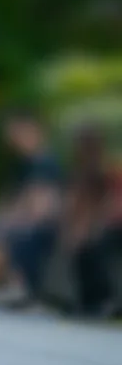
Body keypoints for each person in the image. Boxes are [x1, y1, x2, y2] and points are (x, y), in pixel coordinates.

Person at [0, 109, 64, 307]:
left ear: (34, 132)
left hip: (38, 226)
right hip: (18, 223)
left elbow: (41, 209)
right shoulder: (20, 166)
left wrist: (8, 222)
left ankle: (19, 286)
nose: (13, 140)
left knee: (10, 238)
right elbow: (4, 202)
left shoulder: (45, 164)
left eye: (18, 133)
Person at [60, 125, 122, 318]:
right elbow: (81, 205)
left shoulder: (108, 169)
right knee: (82, 248)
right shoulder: (81, 172)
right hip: (101, 223)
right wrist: (77, 230)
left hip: (113, 224)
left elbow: (111, 203)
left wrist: (94, 227)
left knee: (97, 244)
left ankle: (105, 299)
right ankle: (88, 301)